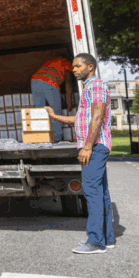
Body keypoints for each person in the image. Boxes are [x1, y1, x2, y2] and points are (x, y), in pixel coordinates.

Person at [45, 52, 114, 254]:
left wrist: (87, 146)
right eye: (73, 67)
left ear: (90, 67)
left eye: (77, 66)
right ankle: (107, 238)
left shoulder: (96, 85)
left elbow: (98, 116)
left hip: (96, 146)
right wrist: (55, 116)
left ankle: (95, 242)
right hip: (96, 146)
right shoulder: (89, 88)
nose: (73, 70)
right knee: (101, 194)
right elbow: (80, 120)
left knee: (92, 193)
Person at [31, 54, 75, 141]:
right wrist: (70, 104)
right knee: (56, 113)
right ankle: (58, 139)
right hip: (49, 82)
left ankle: (41, 140)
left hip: (34, 81)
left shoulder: (51, 62)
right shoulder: (66, 63)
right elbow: (68, 85)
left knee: (40, 113)